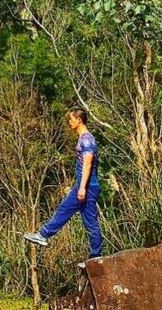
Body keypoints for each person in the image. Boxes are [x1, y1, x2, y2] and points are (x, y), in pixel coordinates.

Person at [24, 108, 103, 259]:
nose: (69, 122)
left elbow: (87, 164)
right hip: (84, 186)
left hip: (87, 187)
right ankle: (44, 235)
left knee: (86, 220)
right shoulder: (84, 138)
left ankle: (96, 255)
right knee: (71, 213)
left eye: (71, 119)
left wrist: (82, 188)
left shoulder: (87, 140)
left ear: (79, 120)